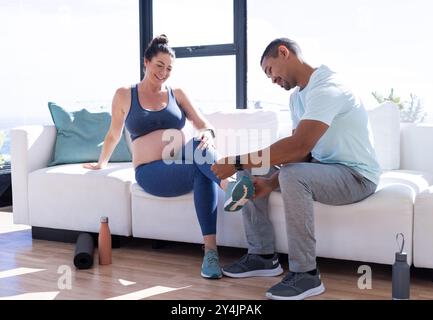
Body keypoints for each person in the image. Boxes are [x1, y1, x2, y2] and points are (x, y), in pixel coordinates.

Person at [211, 37, 381, 299]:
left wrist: (234, 161)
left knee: (271, 169)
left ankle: (306, 275)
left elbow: (299, 146)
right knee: (254, 170)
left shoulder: (328, 87)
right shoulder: (296, 98)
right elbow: (299, 158)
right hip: (320, 168)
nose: (272, 80)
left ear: (284, 52)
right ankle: (263, 256)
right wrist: (268, 183)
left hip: (356, 176)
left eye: (270, 71)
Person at [84, 35, 254, 280]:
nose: (164, 73)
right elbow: (113, 133)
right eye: (159, 66)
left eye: (169, 68)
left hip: (182, 159)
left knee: (198, 143)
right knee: (200, 171)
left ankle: (229, 192)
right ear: (146, 62)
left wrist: (208, 134)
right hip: (151, 172)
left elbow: (203, 124)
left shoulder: (178, 93)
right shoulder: (124, 94)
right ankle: (213, 247)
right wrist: (102, 162)